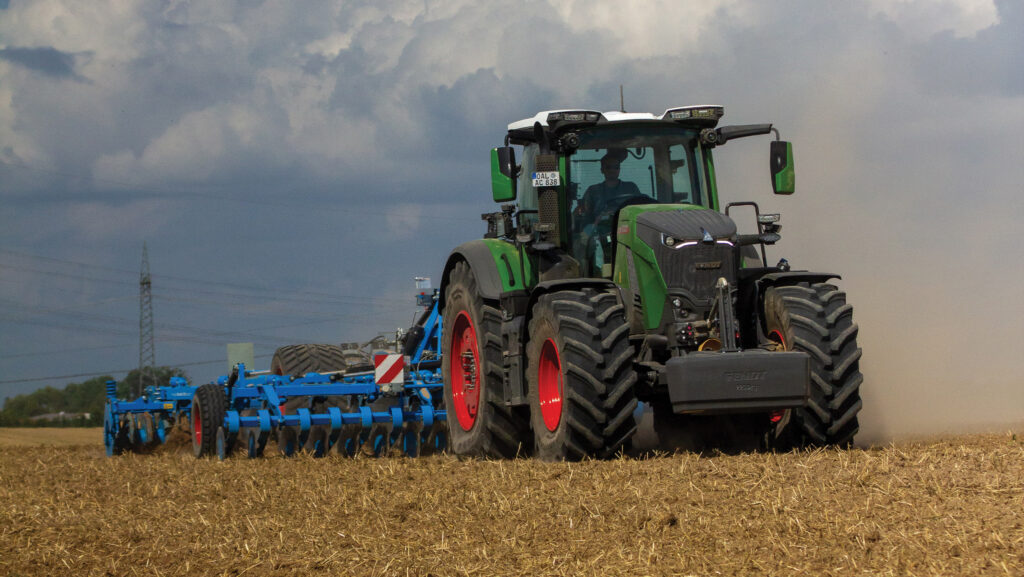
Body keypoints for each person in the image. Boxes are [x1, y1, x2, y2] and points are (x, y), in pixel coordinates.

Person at [576, 152, 641, 223]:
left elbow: (640, 210)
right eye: (608, 167)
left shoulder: (631, 188)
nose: (612, 170)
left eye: (616, 167)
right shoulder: (593, 191)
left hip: (627, 228)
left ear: (619, 169)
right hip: (600, 230)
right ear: (602, 170)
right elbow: (583, 213)